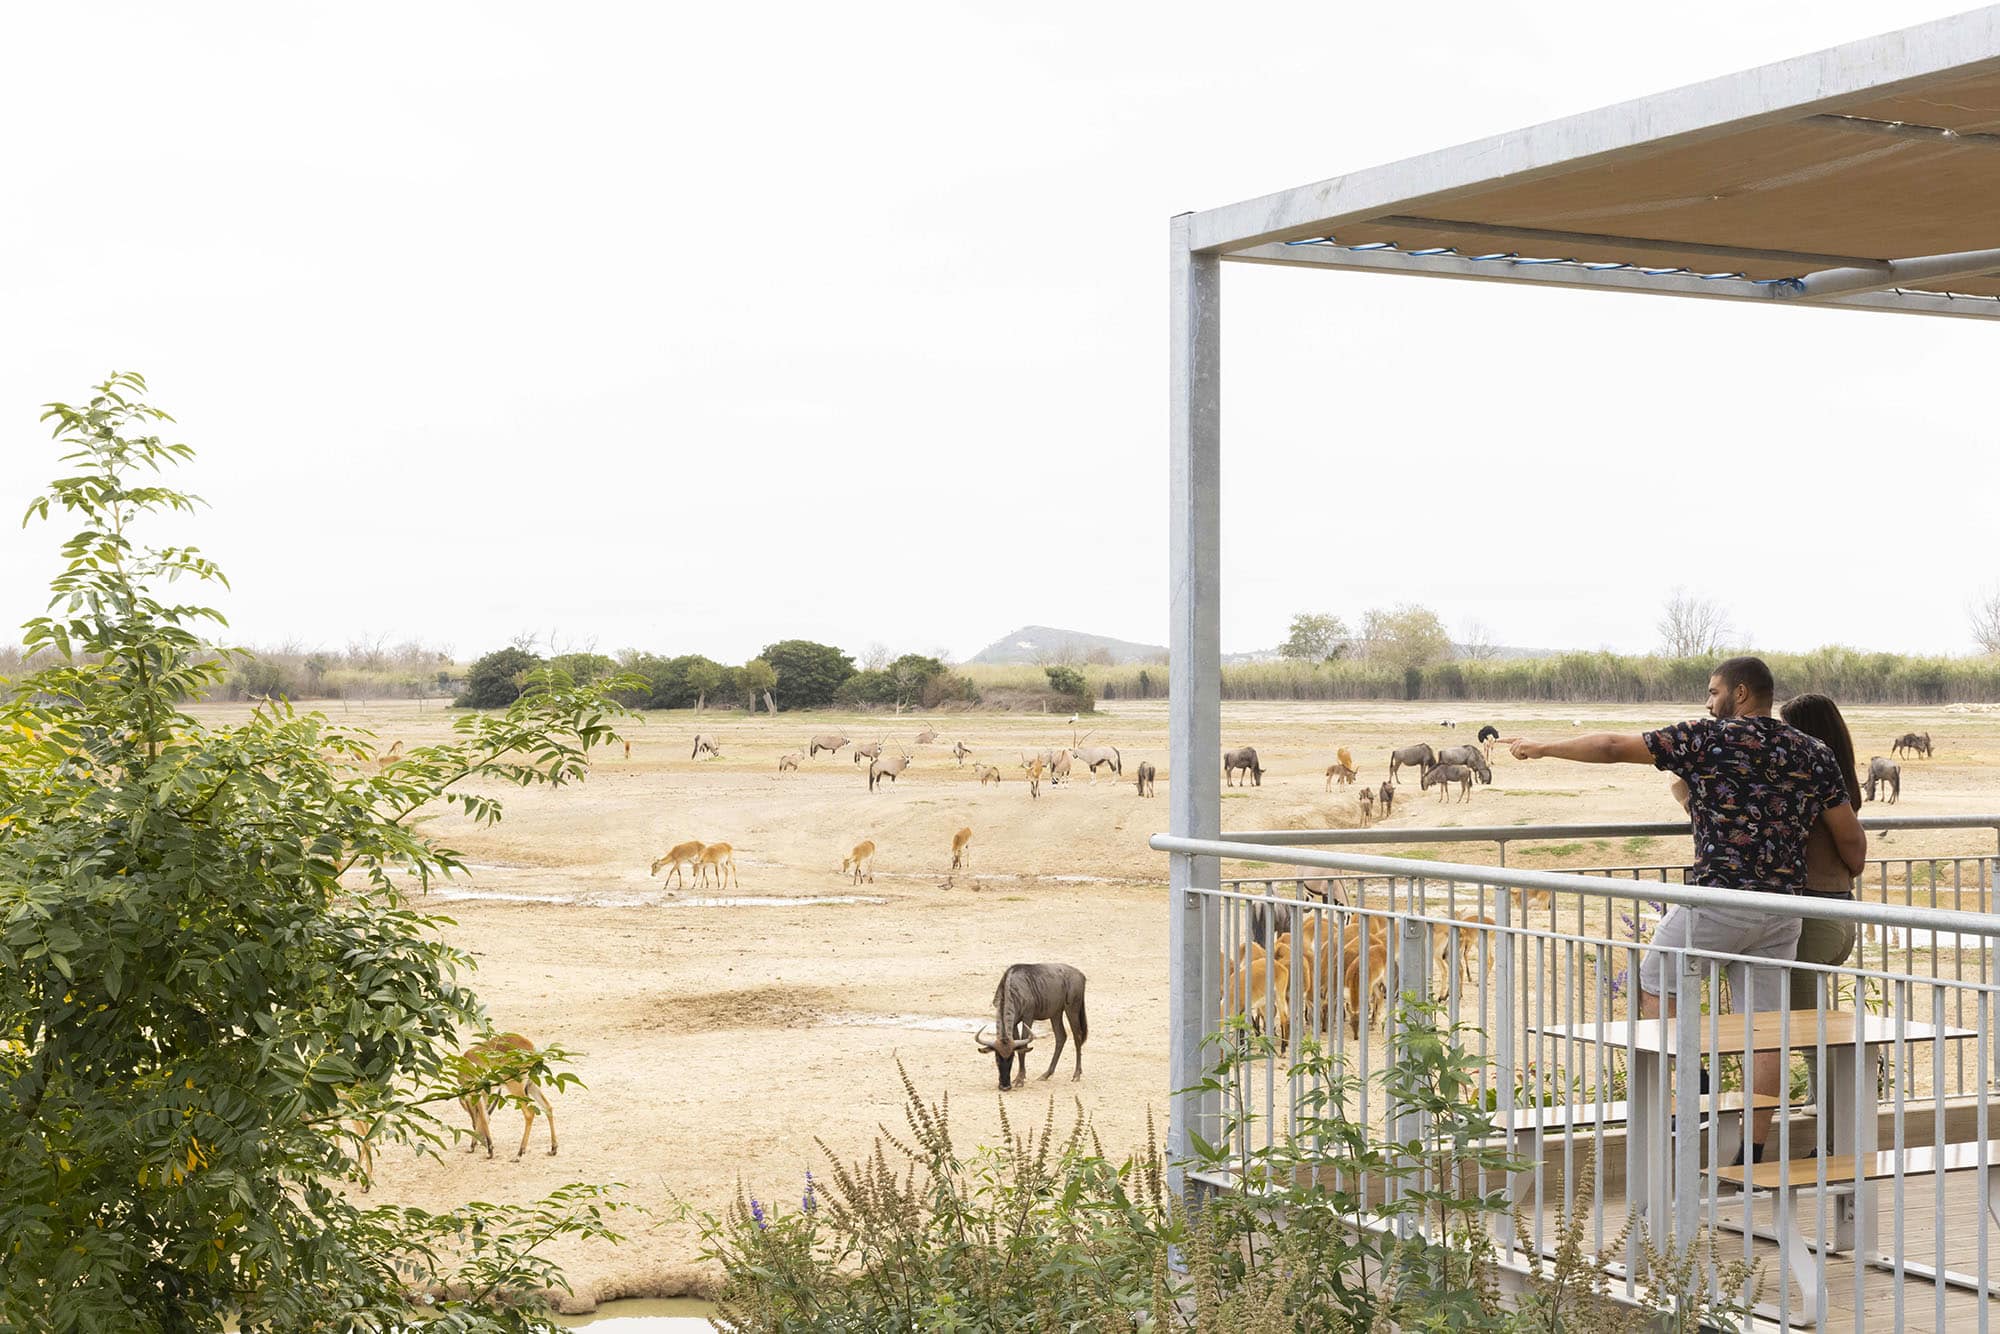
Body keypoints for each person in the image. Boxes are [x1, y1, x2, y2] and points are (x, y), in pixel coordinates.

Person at [1508, 655, 1866, 1159]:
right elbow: (1852, 837)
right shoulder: (1813, 751)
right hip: (1784, 909)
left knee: (1655, 979)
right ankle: (1751, 1152)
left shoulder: (1706, 738)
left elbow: (1611, 747)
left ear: (1740, 693)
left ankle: (1693, 1084)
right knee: (1765, 1028)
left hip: (1717, 900)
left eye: (1713, 691)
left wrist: (1542, 747)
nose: (1708, 701)